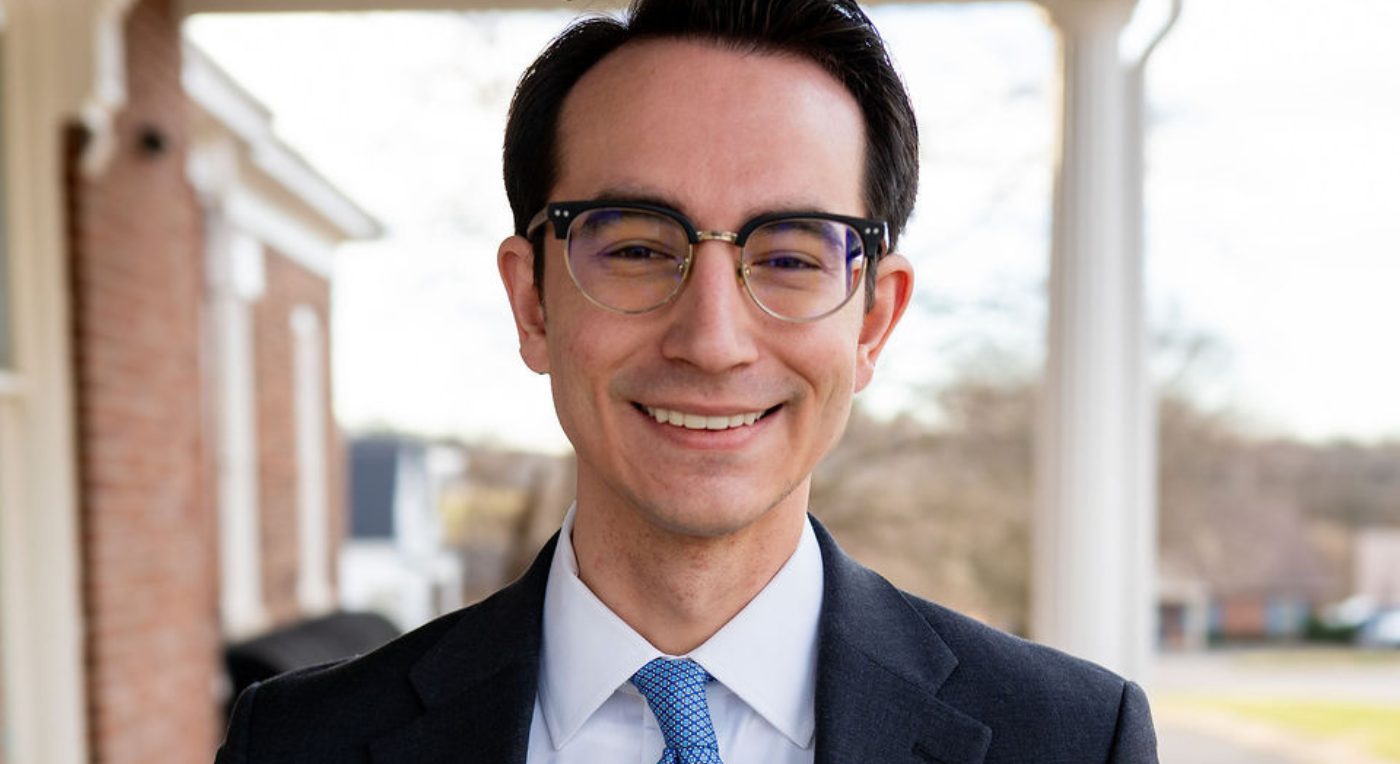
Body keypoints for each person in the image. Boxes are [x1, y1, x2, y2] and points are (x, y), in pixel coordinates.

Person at [215, 1, 1159, 762]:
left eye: (790, 257)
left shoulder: (1074, 740)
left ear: (874, 320)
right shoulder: (299, 744)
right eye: (634, 247)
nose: (712, 340)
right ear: (532, 301)